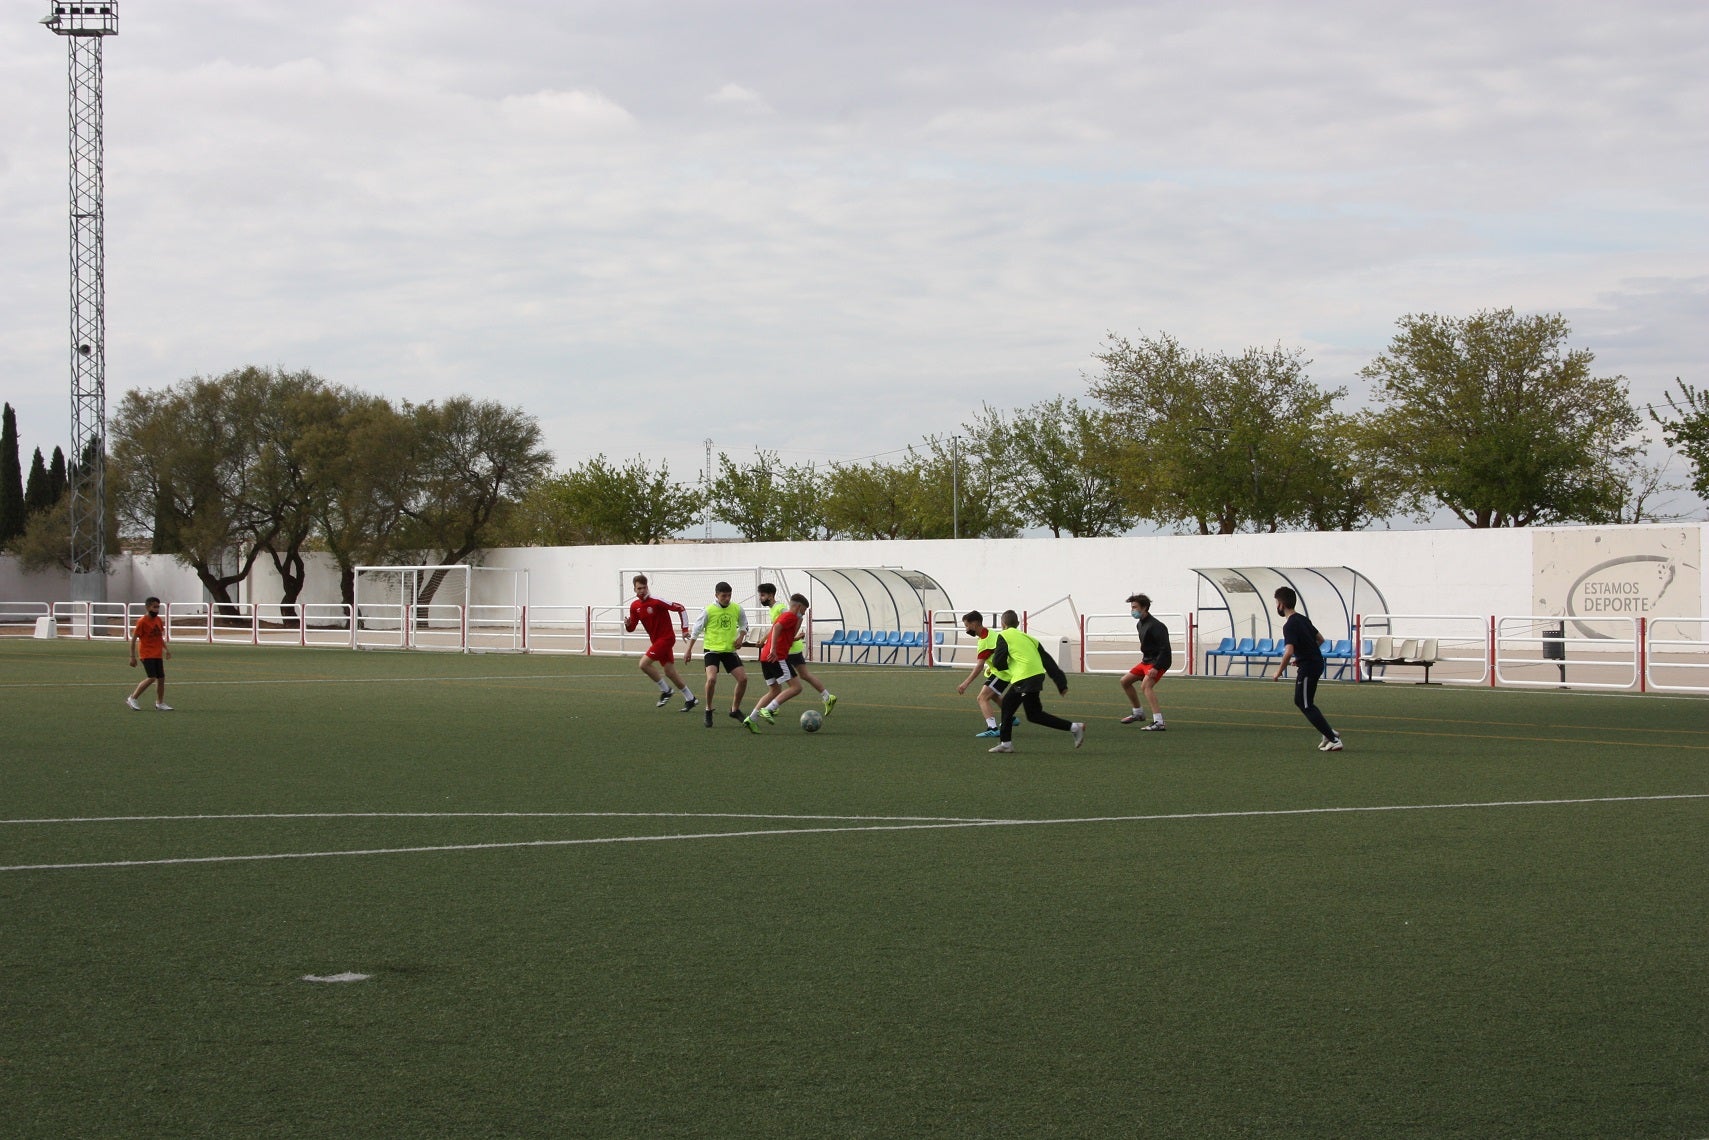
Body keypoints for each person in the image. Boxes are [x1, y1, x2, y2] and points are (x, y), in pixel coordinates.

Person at [984, 610, 1084, 754]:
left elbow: (998, 661)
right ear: (1018, 624)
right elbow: (1047, 660)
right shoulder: (1030, 638)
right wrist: (1061, 683)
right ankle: (1006, 743)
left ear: (1002, 624)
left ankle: (1075, 727)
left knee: (1030, 713)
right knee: (1016, 708)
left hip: (1025, 677)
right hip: (1036, 675)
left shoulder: (1003, 635)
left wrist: (1002, 668)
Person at [1271, 586, 1343, 752]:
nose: (1276, 606)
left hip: (1310, 666)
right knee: (1304, 701)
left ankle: (1333, 739)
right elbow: (1320, 639)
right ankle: (1328, 732)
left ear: (1281, 604)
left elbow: (1288, 651)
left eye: (1276, 603)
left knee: (1304, 703)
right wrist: (1303, 656)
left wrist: (1279, 671)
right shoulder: (1303, 619)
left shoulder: (1289, 625)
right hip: (1314, 663)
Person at [756, 583, 836, 716]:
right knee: (802, 676)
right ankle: (827, 697)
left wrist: (769, 643)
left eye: (763, 595)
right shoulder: (773, 609)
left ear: (770, 595)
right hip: (786, 647)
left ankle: (771, 707)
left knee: (791, 685)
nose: (761, 598)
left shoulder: (780, 609)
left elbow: (781, 627)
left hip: (787, 649)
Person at [625, 574, 696, 711]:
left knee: (643, 664)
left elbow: (680, 608)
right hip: (657, 641)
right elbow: (632, 627)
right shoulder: (635, 606)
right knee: (670, 672)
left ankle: (666, 690)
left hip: (667, 639)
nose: (642, 590)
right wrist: (628, 625)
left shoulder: (657, 601)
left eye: (644, 587)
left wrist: (684, 629)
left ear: (647, 587)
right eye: (639, 588)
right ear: (634, 589)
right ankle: (690, 698)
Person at [684, 581, 748, 728]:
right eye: (723, 596)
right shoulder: (708, 610)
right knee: (712, 679)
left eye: (729, 595)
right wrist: (689, 650)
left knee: (743, 679)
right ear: (716, 595)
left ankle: (735, 709)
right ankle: (708, 709)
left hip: (729, 651)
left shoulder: (737, 609)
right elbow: (696, 630)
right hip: (712, 650)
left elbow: (744, 625)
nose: (727, 598)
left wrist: (740, 638)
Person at [744, 593, 810, 732]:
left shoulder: (790, 618)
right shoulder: (790, 616)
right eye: (803, 611)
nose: (802, 615)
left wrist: (797, 636)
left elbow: (786, 636)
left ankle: (752, 718)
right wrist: (773, 649)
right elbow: (777, 628)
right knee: (796, 687)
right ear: (798, 607)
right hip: (776, 656)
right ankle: (768, 709)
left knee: (774, 690)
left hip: (766, 657)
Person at [954, 610, 1009, 738]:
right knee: (993, 696)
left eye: (967, 626)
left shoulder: (985, 641)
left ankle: (993, 728)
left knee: (982, 698)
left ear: (975, 623)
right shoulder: (990, 633)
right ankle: (1010, 717)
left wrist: (965, 684)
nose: (966, 629)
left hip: (1003, 672)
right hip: (1001, 670)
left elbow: (979, 666)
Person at [1119, 593, 1170, 731]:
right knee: (1125, 681)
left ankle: (1159, 722)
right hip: (1146, 661)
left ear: (1145, 607)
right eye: (1132, 607)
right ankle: (1138, 713)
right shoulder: (1139, 624)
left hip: (1157, 662)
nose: (1132, 610)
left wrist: (1156, 667)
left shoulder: (1157, 626)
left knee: (1146, 686)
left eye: (1135, 607)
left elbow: (1165, 649)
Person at [126, 596, 172, 711]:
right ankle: (132, 698)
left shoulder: (158, 620)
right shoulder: (142, 621)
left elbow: (159, 637)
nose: (156, 610)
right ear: (147, 607)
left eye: (158, 607)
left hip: (157, 654)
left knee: (161, 678)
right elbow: (134, 639)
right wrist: (132, 656)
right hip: (146, 654)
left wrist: (165, 649)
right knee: (152, 677)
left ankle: (159, 703)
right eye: (154, 607)